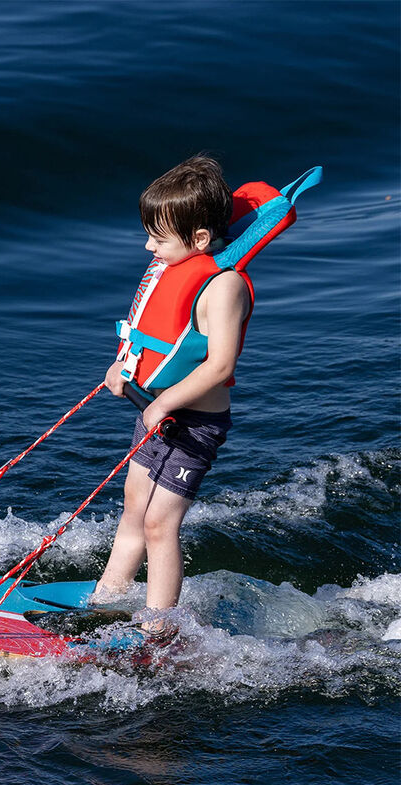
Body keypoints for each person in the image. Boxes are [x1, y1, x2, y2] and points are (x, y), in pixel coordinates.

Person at [92, 155, 251, 637]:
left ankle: (159, 631)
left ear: (199, 239)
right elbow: (155, 340)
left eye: (158, 239)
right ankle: (105, 602)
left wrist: (164, 403)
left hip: (194, 426)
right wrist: (122, 368)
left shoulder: (224, 286)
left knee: (160, 523)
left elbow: (220, 365)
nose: (148, 247)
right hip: (153, 413)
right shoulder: (171, 268)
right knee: (133, 507)